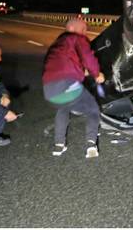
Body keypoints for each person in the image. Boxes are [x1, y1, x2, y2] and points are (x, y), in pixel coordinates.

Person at [42, 18, 105, 158]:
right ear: (77, 29)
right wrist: (96, 74)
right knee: (93, 109)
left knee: (63, 107)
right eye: (84, 29)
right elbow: (89, 58)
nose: (85, 33)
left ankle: (59, 144)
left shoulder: (56, 45)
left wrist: (82, 72)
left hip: (49, 90)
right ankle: (91, 145)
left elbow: (61, 67)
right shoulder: (77, 39)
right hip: (68, 84)